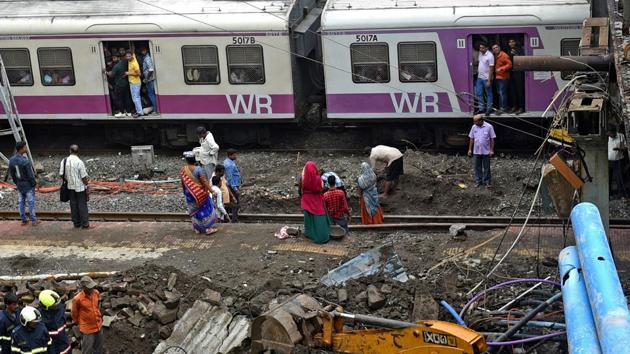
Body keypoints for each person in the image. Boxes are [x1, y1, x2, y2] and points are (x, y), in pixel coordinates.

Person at [180, 151, 219, 235]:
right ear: (194, 159)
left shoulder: (183, 170)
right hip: (200, 193)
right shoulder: (198, 169)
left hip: (189, 193)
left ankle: (196, 228)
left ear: (187, 160)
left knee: (194, 211)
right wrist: (211, 191)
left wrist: (184, 191)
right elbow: (204, 182)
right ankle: (208, 229)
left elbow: (183, 182)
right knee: (205, 210)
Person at [59, 144, 91, 229]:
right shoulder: (79, 162)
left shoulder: (64, 161)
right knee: (82, 205)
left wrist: (68, 180)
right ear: (78, 151)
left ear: (70, 151)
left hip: (70, 186)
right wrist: (87, 184)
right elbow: (83, 177)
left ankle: (76, 223)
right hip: (80, 187)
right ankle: (85, 224)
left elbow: (61, 174)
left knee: (73, 204)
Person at [8, 141, 39, 226]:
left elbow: (12, 174)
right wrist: (34, 184)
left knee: (21, 202)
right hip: (28, 185)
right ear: (21, 149)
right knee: (31, 202)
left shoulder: (11, 160)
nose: (26, 148)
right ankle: (33, 220)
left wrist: (16, 183)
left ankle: (23, 220)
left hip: (20, 184)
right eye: (25, 147)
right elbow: (30, 175)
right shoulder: (25, 161)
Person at [71, 276, 103, 354]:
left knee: (98, 349)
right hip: (87, 329)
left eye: (92, 286)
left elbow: (97, 305)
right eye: (89, 287)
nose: (91, 289)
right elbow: (74, 314)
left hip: (98, 326)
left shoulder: (96, 293)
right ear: (83, 287)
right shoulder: (77, 299)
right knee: (87, 350)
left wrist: (98, 316)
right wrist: (82, 323)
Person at [300, 161, 330, 244]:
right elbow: (321, 188)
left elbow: (300, 190)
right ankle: (322, 237)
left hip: (306, 200)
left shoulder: (303, 179)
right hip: (317, 200)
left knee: (308, 218)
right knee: (319, 219)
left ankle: (309, 234)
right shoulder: (318, 179)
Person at [467, 114, 496, 187]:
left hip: (486, 151)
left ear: (480, 120)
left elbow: (492, 139)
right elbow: (471, 138)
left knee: (486, 167)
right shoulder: (474, 127)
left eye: (475, 121)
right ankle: (478, 181)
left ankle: (487, 182)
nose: (474, 123)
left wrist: (491, 150)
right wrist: (470, 149)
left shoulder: (489, 127)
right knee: (477, 167)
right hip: (476, 151)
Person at [38, 290, 71, 354]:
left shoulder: (60, 308)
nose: (57, 306)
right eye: (54, 305)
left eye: (57, 304)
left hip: (65, 347)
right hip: (52, 349)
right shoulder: (39, 319)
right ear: (46, 307)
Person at [109, 52, 133, 117]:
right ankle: (128, 112)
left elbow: (111, 75)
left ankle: (122, 112)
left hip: (119, 85)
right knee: (127, 98)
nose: (113, 59)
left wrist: (106, 72)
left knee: (119, 99)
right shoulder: (125, 63)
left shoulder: (116, 66)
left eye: (114, 58)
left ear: (118, 58)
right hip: (126, 83)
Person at [492, 44, 512, 115]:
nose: (495, 49)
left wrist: (501, 68)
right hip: (497, 77)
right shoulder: (494, 56)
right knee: (500, 93)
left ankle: (504, 108)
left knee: (502, 93)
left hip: (503, 77)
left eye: (496, 47)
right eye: (494, 48)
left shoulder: (504, 55)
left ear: (499, 48)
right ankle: (501, 108)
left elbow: (510, 65)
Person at [475, 43, 495, 115]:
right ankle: (481, 109)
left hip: (486, 78)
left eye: (483, 48)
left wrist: (489, 80)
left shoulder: (490, 56)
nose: (481, 49)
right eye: (480, 48)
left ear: (487, 48)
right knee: (478, 93)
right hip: (479, 77)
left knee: (488, 94)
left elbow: (491, 69)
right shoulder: (480, 53)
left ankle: (489, 109)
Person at [608, 125, 627, 199]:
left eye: (612, 134)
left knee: (619, 178)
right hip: (609, 161)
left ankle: (621, 194)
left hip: (619, 160)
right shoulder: (606, 137)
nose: (611, 136)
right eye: (609, 134)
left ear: (615, 132)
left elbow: (625, 147)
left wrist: (619, 149)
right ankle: (609, 194)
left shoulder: (621, 136)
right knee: (608, 178)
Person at [507, 38, 526, 114]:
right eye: (510, 42)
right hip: (511, 73)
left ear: (515, 42)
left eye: (512, 41)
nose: (511, 43)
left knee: (519, 91)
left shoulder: (520, 49)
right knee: (512, 91)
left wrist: (516, 54)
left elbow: (523, 59)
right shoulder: (508, 51)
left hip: (519, 73)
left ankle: (521, 107)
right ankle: (514, 107)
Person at [223, 149, 241, 223]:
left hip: (233, 185)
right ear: (230, 155)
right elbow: (230, 178)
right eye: (234, 155)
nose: (236, 156)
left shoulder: (229, 161)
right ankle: (234, 220)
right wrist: (235, 189)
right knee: (235, 203)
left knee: (230, 202)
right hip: (233, 186)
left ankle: (226, 219)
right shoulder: (229, 165)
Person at [140, 46, 158, 114]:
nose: (142, 52)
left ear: (146, 50)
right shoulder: (146, 58)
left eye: (143, 50)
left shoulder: (147, 58)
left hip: (149, 80)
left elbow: (151, 69)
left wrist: (146, 79)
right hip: (149, 79)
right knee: (151, 94)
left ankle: (155, 110)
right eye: (142, 51)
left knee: (151, 94)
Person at [126, 52, 143, 118]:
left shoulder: (134, 63)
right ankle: (139, 111)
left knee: (136, 98)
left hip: (135, 83)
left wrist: (129, 73)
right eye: (127, 56)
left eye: (129, 56)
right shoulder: (130, 60)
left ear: (132, 56)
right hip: (132, 82)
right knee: (135, 98)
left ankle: (139, 112)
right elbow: (133, 52)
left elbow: (139, 74)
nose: (128, 57)